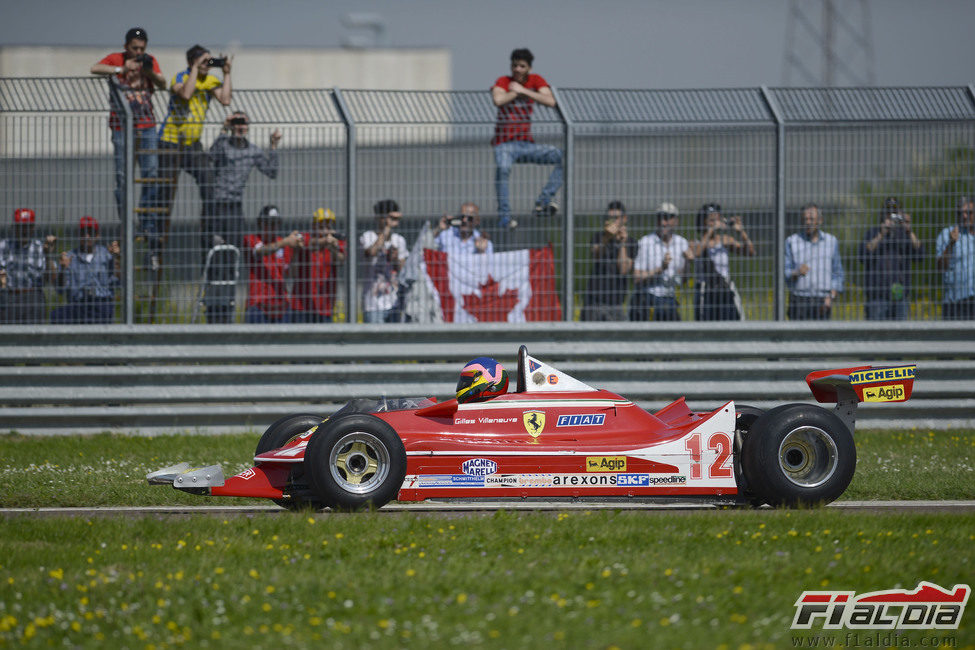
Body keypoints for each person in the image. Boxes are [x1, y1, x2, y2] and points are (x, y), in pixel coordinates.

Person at [156, 44, 233, 254]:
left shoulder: (210, 81)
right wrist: (195, 71)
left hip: (192, 146)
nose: (207, 65)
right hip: (170, 142)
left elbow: (225, 99)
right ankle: (156, 242)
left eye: (209, 61)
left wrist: (226, 74)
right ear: (192, 62)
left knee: (209, 184)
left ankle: (210, 232)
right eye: (203, 61)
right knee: (165, 193)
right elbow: (187, 94)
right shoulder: (180, 77)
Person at [90, 27, 166, 221]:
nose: (138, 52)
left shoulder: (149, 61)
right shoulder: (116, 59)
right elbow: (95, 68)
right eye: (134, 48)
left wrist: (148, 71)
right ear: (126, 46)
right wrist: (121, 70)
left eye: (142, 48)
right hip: (121, 127)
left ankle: (145, 220)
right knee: (123, 177)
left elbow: (163, 83)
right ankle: (126, 221)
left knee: (151, 174)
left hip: (146, 126)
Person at [491, 48, 563, 229]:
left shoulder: (535, 80)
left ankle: (544, 201)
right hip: (504, 144)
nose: (517, 69)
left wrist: (523, 91)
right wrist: (515, 92)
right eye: (514, 65)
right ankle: (505, 217)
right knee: (503, 169)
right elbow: (498, 99)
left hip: (525, 143)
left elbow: (551, 101)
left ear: (529, 68)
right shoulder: (503, 81)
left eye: (522, 66)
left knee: (563, 157)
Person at [206, 110, 281, 253]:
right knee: (214, 248)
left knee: (234, 247)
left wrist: (273, 146)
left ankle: (231, 275)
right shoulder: (224, 145)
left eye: (243, 124)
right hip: (217, 204)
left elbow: (272, 172)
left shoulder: (253, 151)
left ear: (247, 127)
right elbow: (211, 156)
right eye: (236, 123)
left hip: (235, 205)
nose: (240, 127)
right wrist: (224, 129)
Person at [857, 197, 923, 320]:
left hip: (900, 297)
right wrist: (881, 234)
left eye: (895, 212)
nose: (891, 215)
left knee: (900, 336)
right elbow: (862, 255)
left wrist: (909, 230)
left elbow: (920, 254)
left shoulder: (905, 234)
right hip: (876, 297)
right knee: (875, 336)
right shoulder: (873, 233)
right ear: (882, 214)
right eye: (888, 212)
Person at [691, 203, 756, 321]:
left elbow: (750, 252)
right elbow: (697, 253)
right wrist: (710, 230)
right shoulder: (695, 242)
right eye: (711, 220)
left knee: (736, 320)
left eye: (717, 219)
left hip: (724, 287)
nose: (715, 223)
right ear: (703, 222)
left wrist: (741, 232)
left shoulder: (725, 240)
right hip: (705, 290)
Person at [50, 217, 121, 324]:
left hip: (101, 304)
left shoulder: (107, 255)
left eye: (90, 232)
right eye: (83, 232)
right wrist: (63, 270)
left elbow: (119, 282)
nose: (87, 236)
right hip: (78, 305)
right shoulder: (70, 257)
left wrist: (117, 259)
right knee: (57, 315)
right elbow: (60, 289)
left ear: (97, 235)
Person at [632, 203, 694, 321]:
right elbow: (636, 277)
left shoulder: (682, 243)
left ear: (676, 221)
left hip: (671, 297)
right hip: (648, 298)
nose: (663, 222)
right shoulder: (645, 242)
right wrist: (660, 269)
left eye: (667, 218)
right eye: (660, 218)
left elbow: (684, 279)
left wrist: (688, 262)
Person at [785, 203, 844, 320]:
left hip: (822, 299)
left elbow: (837, 273)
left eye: (811, 219)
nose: (808, 222)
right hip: (799, 298)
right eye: (805, 219)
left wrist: (830, 297)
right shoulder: (792, 241)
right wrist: (796, 272)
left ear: (820, 220)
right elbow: (784, 271)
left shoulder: (831, 242)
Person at [243, 205, 301, 324]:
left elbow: (291, 273)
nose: (272, 227)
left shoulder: (283, 244)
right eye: (268, 223)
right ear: (260, 223)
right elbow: (261, 251)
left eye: (275, 223)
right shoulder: (251, 239)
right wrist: (285, 242)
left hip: (281, 305)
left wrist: (296, 251)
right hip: (258, 304)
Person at [0, 208, 58, 324]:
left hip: (33, 296)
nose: (24, 231)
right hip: (9, 296)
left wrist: (48, 256)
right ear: (14, 228)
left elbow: (51, 279)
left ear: (33, 228)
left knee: (35, 337)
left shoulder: (40, 248)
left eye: (28, 226)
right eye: (21, 226)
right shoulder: (4, 246)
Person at [583, 200, 636, 321]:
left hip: (616, 302)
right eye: (610, 218)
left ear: (624, 219)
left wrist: (622, 243)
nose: (613, 221)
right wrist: (607, 237)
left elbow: (624, 269)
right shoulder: (599, 237)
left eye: (616, 218)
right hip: (594, 301)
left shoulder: (631, 242)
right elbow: (596, 255)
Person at [291, 207, 347, 323]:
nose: (325, 230)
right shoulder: (305, 237)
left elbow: (341, 260)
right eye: (321, 226)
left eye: (328, 227)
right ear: (313, 226)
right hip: (301, 304)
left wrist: (332, 247)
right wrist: (325, 241)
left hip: (325, 305)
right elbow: (307, 244)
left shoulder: (336, 242)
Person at [360, 199, 409, 323]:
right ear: (379, 218)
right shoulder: (368, 236)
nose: (392, 221)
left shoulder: (399, 240)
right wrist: (386, 229)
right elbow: (371, 253)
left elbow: (403, 270)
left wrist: (395, 259)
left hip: (394, 302)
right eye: (388, 217)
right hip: (373, 303)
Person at [935, 196, 975, 320]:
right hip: (955, 302)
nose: (964, 216)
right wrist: (951, 244)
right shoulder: (947, 234)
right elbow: (940, 267)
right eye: (960, 213)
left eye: (968, 212)